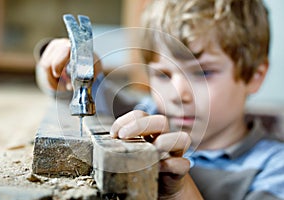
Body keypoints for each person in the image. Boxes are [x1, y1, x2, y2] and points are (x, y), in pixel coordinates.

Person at [35, 0, 284, 199]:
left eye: (203, 72)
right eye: (164, 74)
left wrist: (179, 191)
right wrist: (63, 62)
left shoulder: (273, 170)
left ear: (254, 75)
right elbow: (72, 89)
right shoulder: (146, 114)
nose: (178, 93)